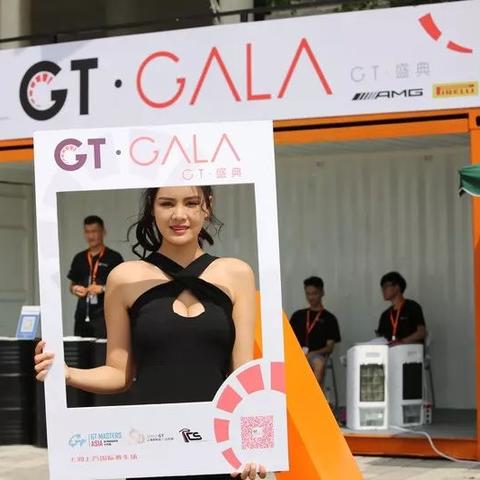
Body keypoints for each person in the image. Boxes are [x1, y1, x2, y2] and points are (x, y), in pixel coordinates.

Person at [35, 186, 267, 480]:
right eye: (167, 204)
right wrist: (66, 373)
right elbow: (119, 373)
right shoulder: (124, 278)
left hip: (218, 449)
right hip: (151, 448)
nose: (179, 215)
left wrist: (257, 446)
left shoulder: (236, 274)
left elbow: (243, 374)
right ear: (152, 208)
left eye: (191, 203)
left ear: (207, 207)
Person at [68, 215, 124, 338]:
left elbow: (121, 287)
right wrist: (75, 289)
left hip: (105, 316)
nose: (90, 236)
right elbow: (72, 285)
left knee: (103, 349)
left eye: (94, 231)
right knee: (81, 348)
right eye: (87, 232)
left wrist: (102, 288)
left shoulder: (114, 257)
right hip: (82, 316)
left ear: (103, 232)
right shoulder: (79, 258)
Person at [290, 276, 341, 386]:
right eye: (308, 294)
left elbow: (330, 347)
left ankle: (312, 394)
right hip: (296, 355)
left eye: (314, 294)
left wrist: (313, 353)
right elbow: (288, 339)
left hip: (315, 356)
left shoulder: (329, 318)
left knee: (319, 363)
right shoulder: (298, 315)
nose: (311, 297)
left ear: (322, 292)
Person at [376, 271, 426, 344]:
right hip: (391, 350)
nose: (383, 290)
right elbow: (380, 339)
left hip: (411, 349)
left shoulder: (412, 307)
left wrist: (401, 342)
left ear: (397, 287)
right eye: (382, 287)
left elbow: (422, 333)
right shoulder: (385, 315)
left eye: (386, 286)